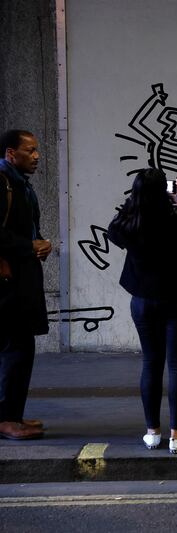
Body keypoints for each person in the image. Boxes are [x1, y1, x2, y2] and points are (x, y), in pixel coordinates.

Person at [107, 168, 177, 454]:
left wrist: (135, 201)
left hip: (143, 300)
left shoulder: (130, 224)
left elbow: (113, 231)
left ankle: (152, 432)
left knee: (151, 363)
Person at [0, 130, 51, 440]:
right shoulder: (2, 184)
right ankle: (6, 419)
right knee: (14, 348)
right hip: (7, 283)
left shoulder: (20, 185)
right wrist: (30, 247)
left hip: (20, 279)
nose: (36, 156)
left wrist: (38, 244)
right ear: (10, 154)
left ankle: (12, 414)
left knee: (21, 347)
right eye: (30, 151)